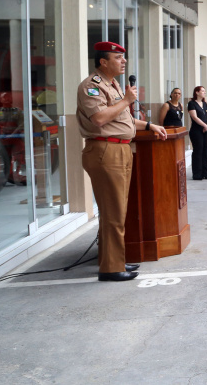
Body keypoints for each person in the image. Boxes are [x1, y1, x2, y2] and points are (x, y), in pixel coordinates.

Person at [77, 41, 167, 282]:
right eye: (118, 58)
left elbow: (122, 120)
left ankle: (112, 259)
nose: (123, 61)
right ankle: (111, 268)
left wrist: (149, 125)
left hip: (121, 150)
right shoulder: (91, 86)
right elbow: (99, 119)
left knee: (116, 211)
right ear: (103, 62)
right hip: (106, 151)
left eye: (123, 57)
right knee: (114, 212)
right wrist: (126, 100)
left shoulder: (114, 85)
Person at [188, 86, 207, 181]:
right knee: (198, 151)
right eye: (202, 91)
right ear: (197, 92)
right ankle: (197, 174)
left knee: (205, 151)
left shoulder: (205, 104)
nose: (204, 92)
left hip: (206, 131)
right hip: (196, 130)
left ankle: (205, 173)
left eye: (204, 91)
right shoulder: (192, 103)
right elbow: (194, 117)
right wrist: (204, 126)